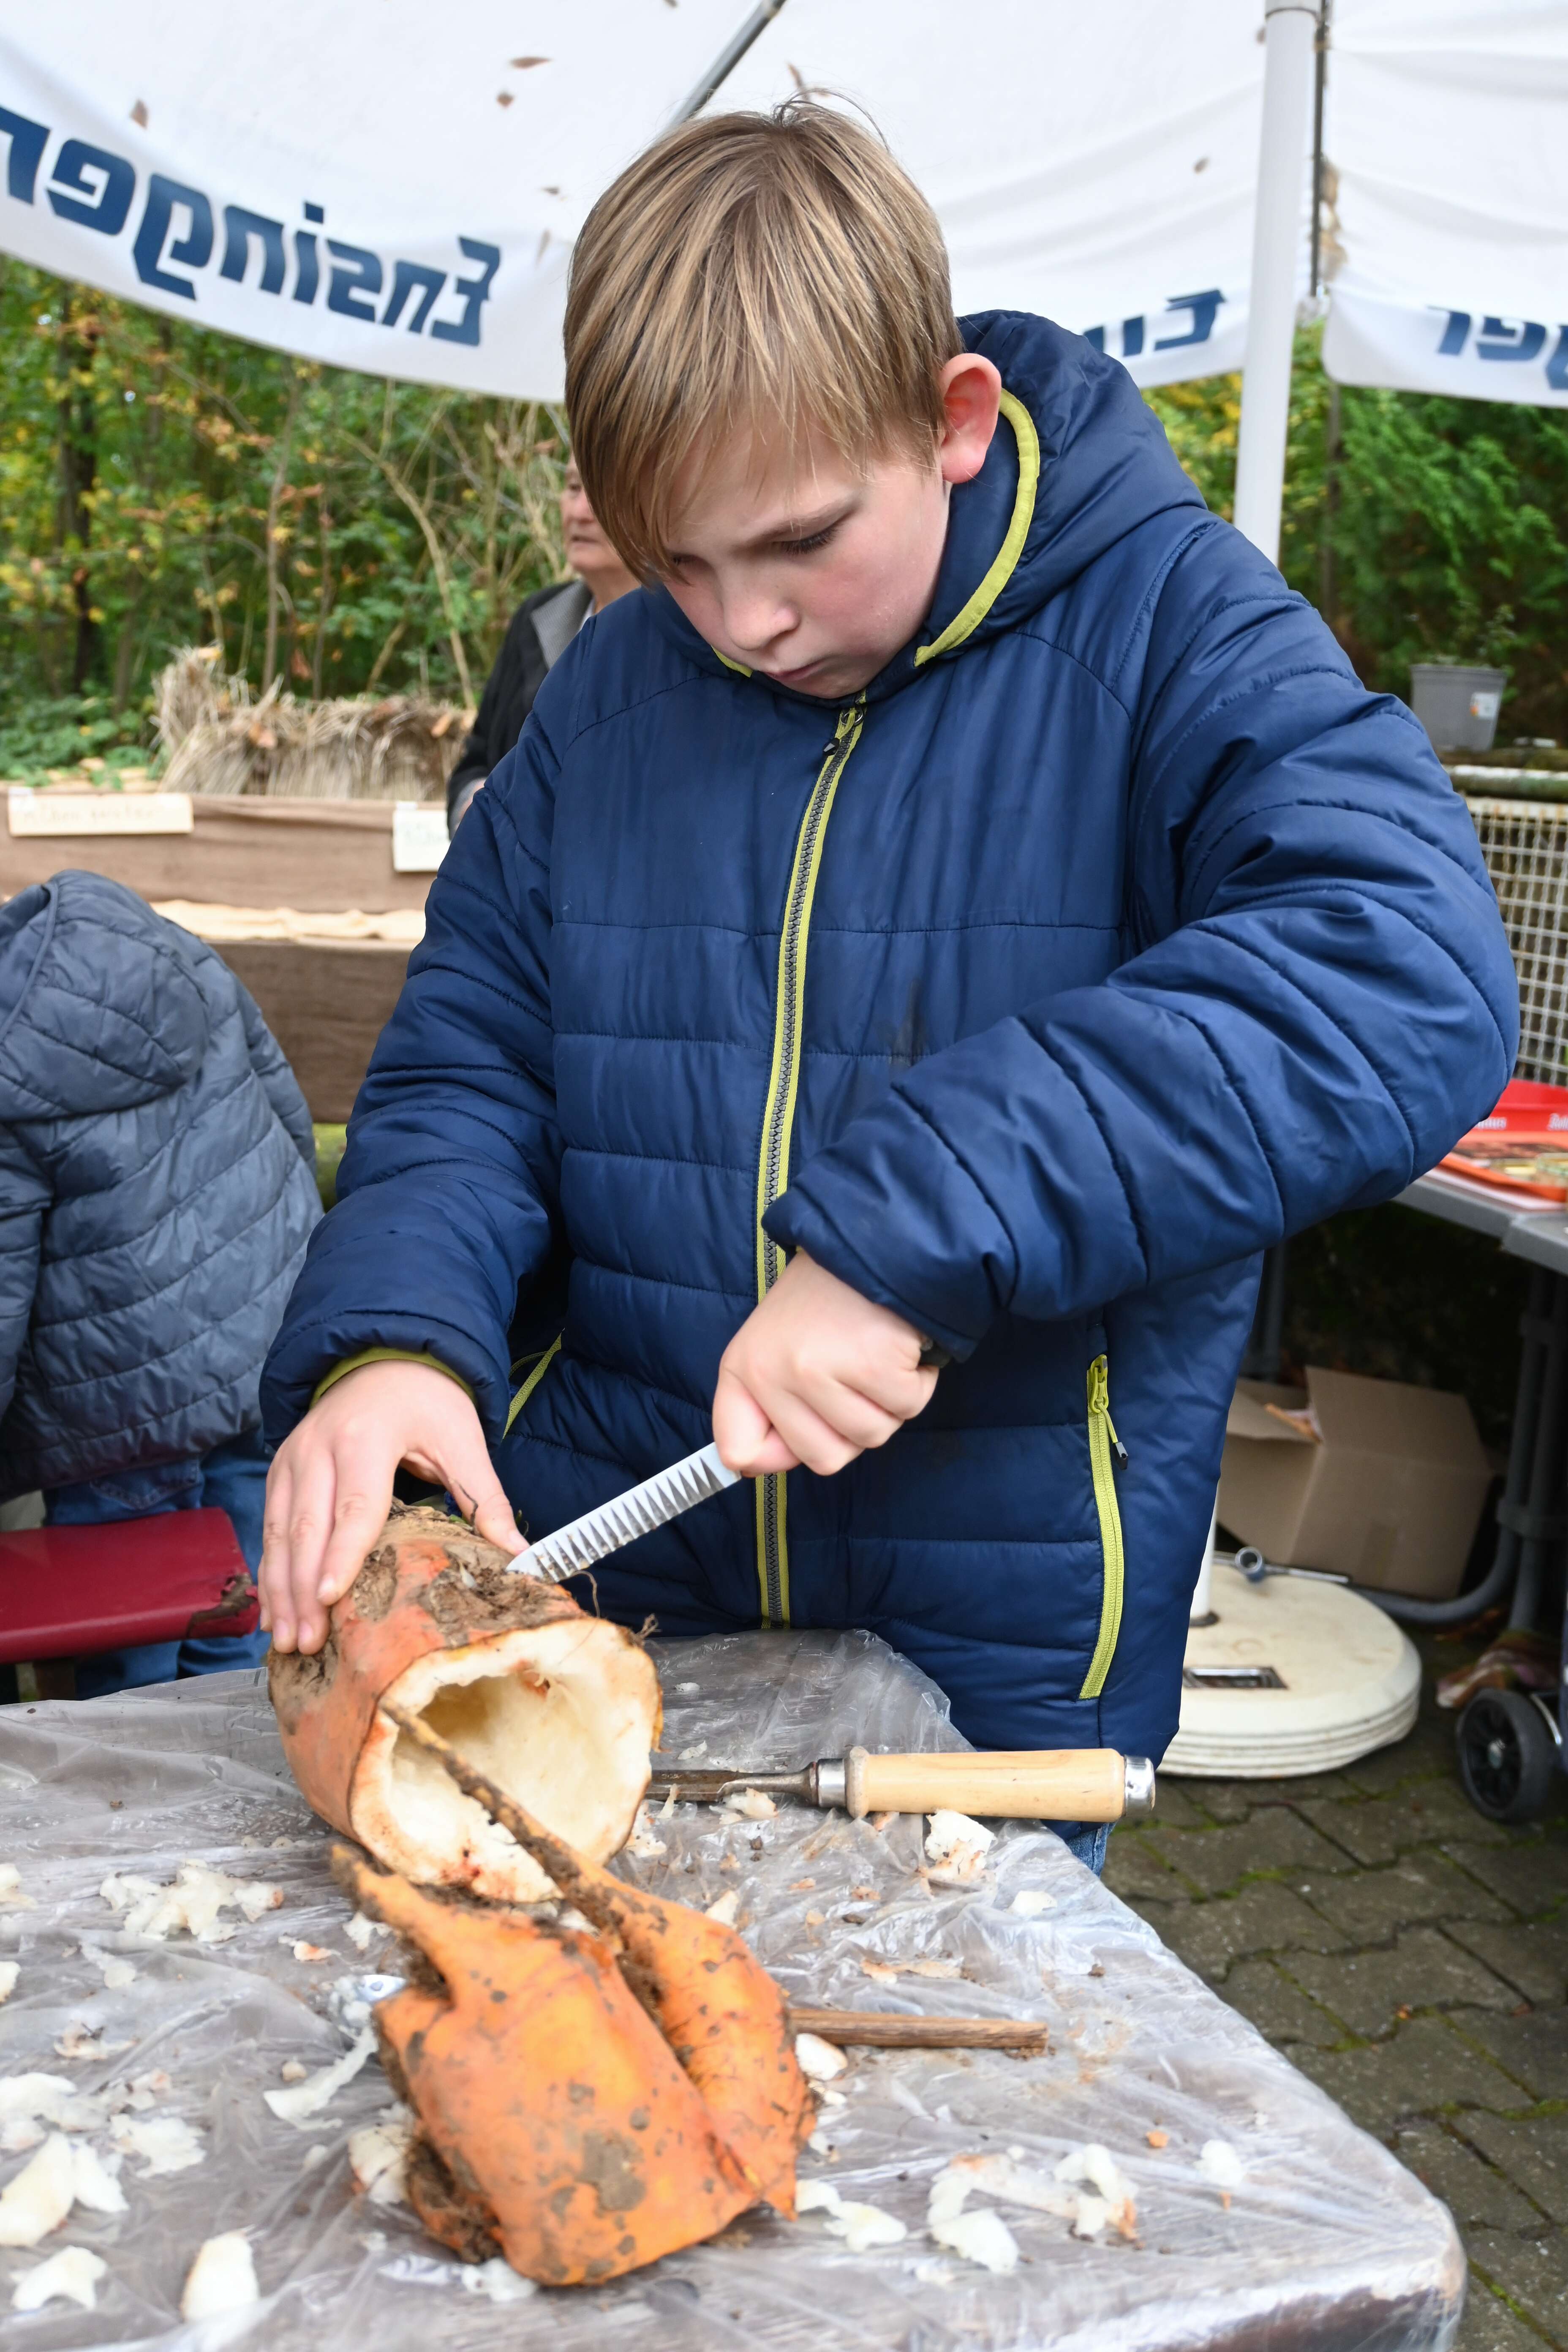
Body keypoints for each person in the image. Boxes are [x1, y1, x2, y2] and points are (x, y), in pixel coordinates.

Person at [258, 103, 1517, 1873]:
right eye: (677, 560)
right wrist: (393, 1338)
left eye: (793, 543)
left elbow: (1405, 972)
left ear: (950, 423)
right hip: (616, 1605)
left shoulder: (1169, 625)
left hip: (995, 1667)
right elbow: (472, 1063)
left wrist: (912, 1227)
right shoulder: (608, 698)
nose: (739, 625)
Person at [0, 871, 320, 1696]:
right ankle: (244, 1757)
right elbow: (285, 1113)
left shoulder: (7, 1066)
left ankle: (141, 1803)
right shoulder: (168, 948)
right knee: (247, 1596)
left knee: (130, 1630)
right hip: (257, 1340)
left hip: (113, 1408)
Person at [445, 459, 637, 831]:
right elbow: (478, 757)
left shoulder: (694, 639)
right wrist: (472, 805)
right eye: (572, 487)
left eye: (600, 490)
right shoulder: (537, 619)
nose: (581, 511)